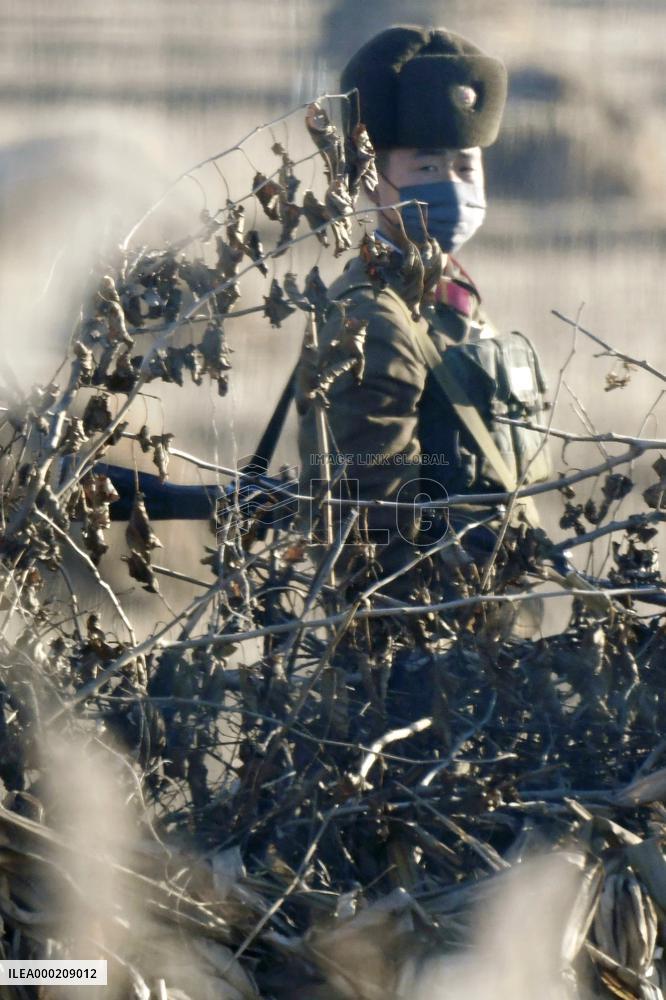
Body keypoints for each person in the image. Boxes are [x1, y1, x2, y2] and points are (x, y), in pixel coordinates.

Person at [296, 25, 552, 601]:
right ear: (370, 181)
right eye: (428, 169)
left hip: (488, 616)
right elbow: (373, 533)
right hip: (424, 630)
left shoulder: (451, 298)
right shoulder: (370, 319)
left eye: (466, 167)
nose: (454, 188)